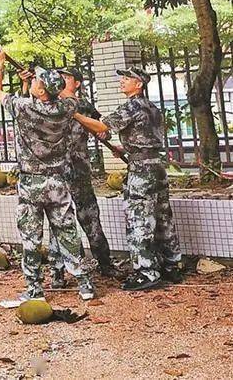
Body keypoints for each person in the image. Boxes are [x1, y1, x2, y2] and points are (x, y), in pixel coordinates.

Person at [0, 45, 95, 301]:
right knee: (67, 232)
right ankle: (84, 284)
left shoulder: (25, 108)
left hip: (31, 184)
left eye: (37, 81)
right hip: (57, 182)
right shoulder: (67, 108)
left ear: (41, 90)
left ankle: (34, 288)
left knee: (31, 238)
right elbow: (65, 94)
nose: (35, 81)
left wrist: (1, 63)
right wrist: (30, 85)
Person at [74, 67, 183, 291]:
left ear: (139, 84)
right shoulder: (151, 108)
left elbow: (102, 126)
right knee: (163, 217)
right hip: (157, 167)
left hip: (141, 171)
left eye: (127, 79)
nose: (122, 81)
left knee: (139, 219)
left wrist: (74, 114)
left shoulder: (132, 106)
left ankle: (146, 272)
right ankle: (172, 265)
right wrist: (124, 148)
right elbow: (148, 138)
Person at [48, 67, 114, 288]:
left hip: (79, 169)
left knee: (90, 217)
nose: (61, 81)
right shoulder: (52, 102)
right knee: (58, 221)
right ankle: (58, 272)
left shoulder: (83, 104)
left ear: (77, 83)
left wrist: (105, 134)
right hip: (56, 170)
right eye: (59, 78)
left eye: (67, 78)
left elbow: (103, 127)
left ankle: (105, 264)